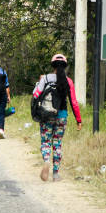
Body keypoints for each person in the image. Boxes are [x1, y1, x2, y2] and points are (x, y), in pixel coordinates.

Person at [33, 54, 82, 182]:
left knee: (45, 142)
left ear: (52, 65)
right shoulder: (68, 81)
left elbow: (36, 94)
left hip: (46, 115)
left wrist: (39, 83)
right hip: (62, 116)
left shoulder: (46, 78)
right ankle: (55, 175)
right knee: (57, 144)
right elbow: (74, 102)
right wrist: (79, 120)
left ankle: (46, 161)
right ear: (64, 66)